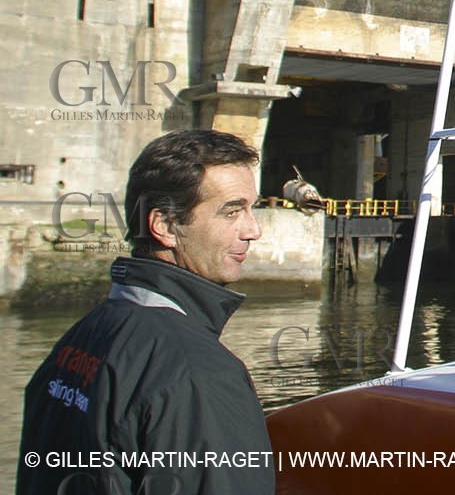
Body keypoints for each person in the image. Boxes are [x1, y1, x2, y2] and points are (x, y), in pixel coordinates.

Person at [17, 130, 274, 495]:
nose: (253, 230)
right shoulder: (197, 372)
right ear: (165, 226)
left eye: (252, 208)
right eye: (232, 211)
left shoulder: (80, 339)